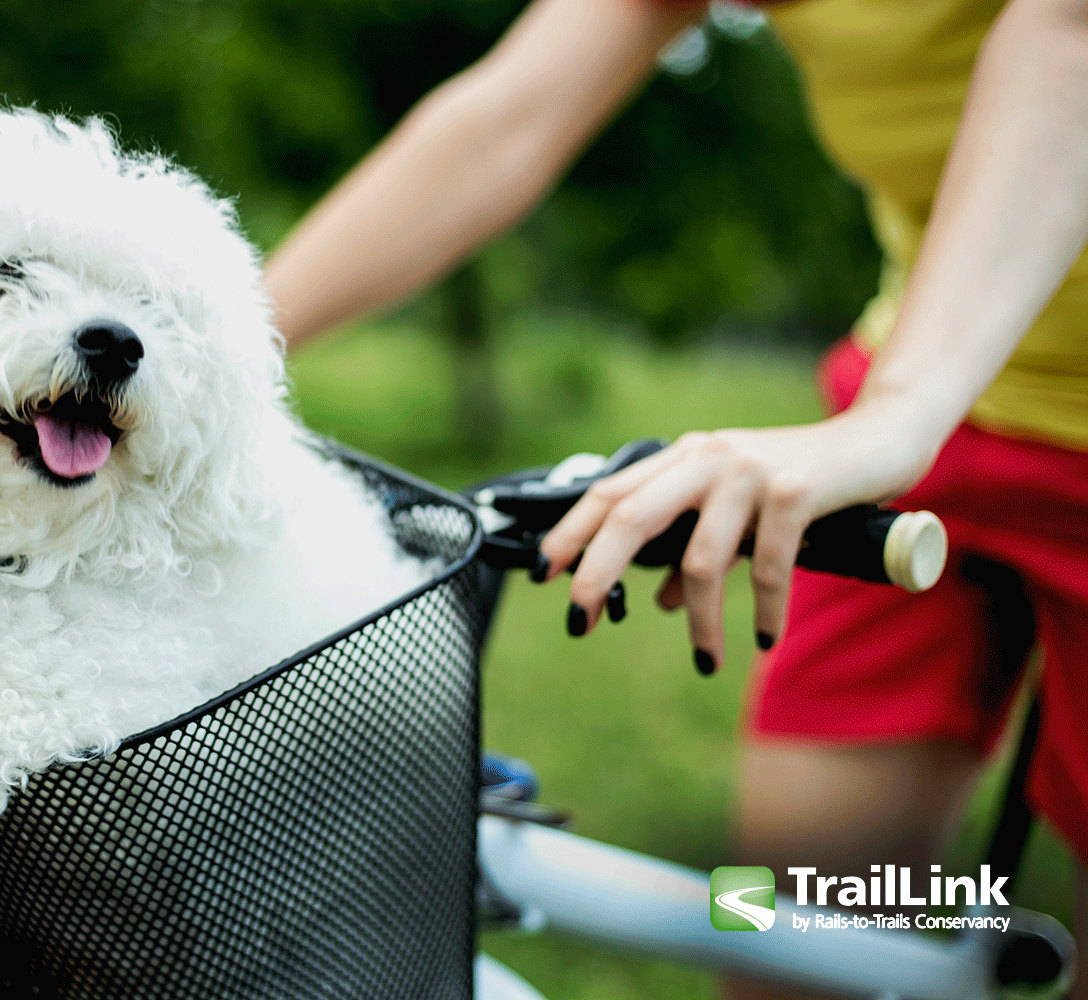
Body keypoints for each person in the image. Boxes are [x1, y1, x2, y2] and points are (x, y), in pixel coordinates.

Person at [261, 1, 1088, 997]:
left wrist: (891, 420)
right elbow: (501, 120)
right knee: (788, 932)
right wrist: (211, 357)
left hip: (905, 414)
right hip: (929, 407)